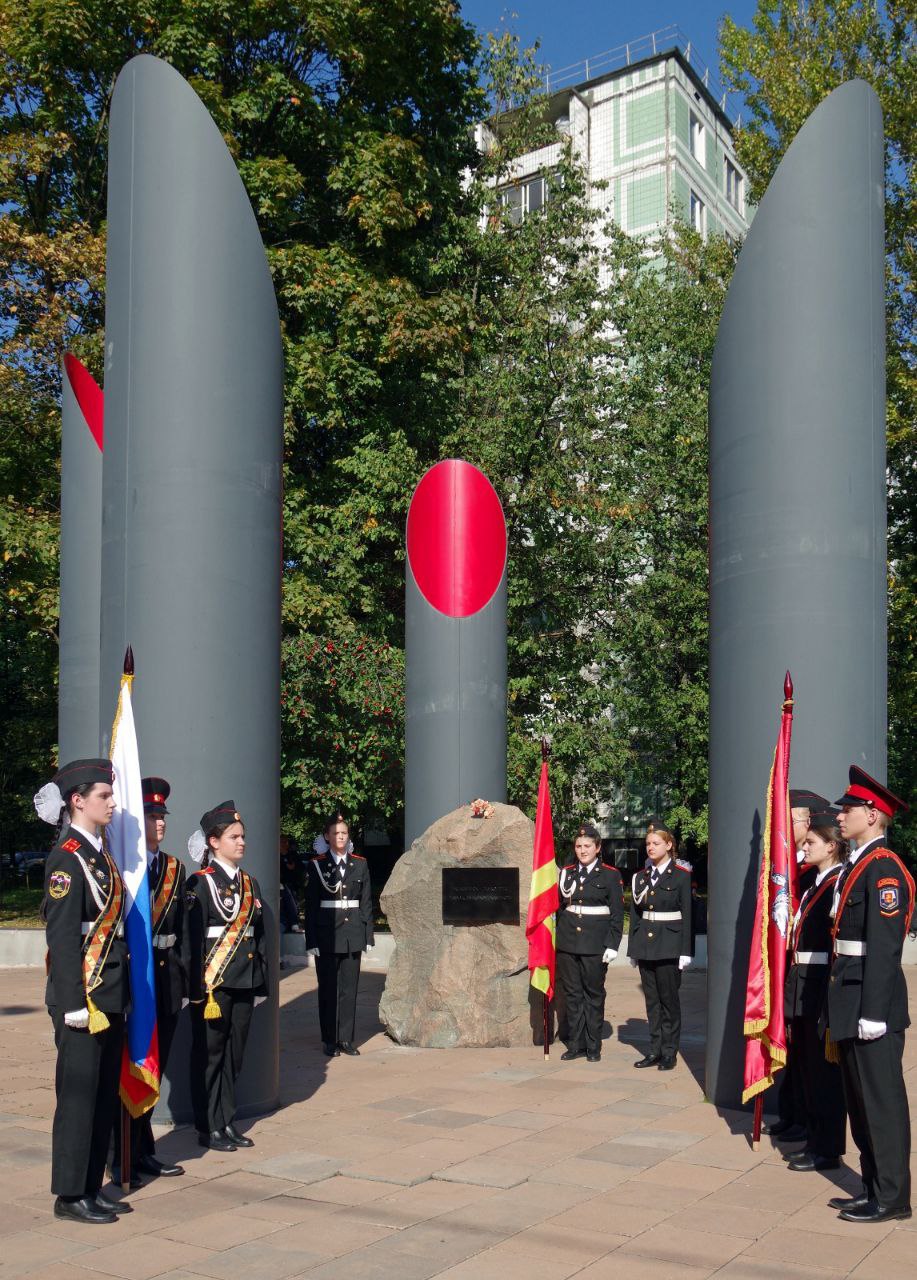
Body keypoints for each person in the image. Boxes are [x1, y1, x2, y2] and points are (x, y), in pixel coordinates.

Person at [35, 759, 131, 1224]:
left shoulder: (99, 854)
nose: (112, 803)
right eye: (104, 796)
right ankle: (69, 1194)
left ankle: (92, 1186)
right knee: (77, 1098)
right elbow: (63, 938)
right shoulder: (66, 858)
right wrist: (73, 1002)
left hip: (109, 995)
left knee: (101, 1096)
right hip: (84, 999)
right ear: (77, 800)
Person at [826, 766, 915, 1224]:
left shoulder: (884, 870)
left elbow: (884, 947)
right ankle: (871, 1186)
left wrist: (875, 1011)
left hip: (870, 1002)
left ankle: (894, 1197)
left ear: (874, 815)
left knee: (882, 1103)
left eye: (849, 809)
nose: (840, 816)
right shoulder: (856, 865)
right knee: (860, 1103)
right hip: (849, 996)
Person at [111, 778, 186, 1185]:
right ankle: (123, 1155)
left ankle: (145, 1152)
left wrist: (190, 985)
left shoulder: (174, 868)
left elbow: (184, 934)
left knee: (154, 1068)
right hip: (136, 980)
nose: (159, 823)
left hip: (168, 979)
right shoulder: (124, 865)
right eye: (151, 816)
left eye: (161, 816)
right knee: (131, 1067)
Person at [184, 801, 268, 1151]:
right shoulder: (200, 883)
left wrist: (261, 980)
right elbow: (191, 940)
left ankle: (226, 1120)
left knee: (235, 1053)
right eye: (234, 837)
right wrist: (194, 988)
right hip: (213, 985)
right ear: (214, 842)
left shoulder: (250, 883)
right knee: (210, 1055)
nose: (241, 842)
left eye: (243, 836)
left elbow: (259, 937)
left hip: (245, 980)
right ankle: (208, 1125)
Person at [763, 788, 829, 1141]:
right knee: (794, 1049)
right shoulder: (791, 867)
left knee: (810, 1057)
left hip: (813, 976)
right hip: (792, 972)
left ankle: (808, 1123)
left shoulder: (815, 873)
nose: (785, 826)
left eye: (792, 819)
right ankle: (793, 1114)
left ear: (809, 822)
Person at [782, 809, 846, 1172]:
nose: (804, 848)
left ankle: (828, 1149)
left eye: (810, 843)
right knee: (807, 1068)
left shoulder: (836, 883)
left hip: (819, 985)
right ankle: (813, 1138)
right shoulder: (817, 883)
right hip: (802, 982)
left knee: (824, 1074)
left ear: (831, 847)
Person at [306, 811, 374, 1056]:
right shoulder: (318, 865)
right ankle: (329, 1040)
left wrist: (367, 934)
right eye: (335, 833)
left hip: (352, 931)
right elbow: (311, 905)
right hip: (326, 934)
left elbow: (366, 902)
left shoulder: (360, 863)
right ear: (327, 836)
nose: (340, 836)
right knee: (327, 989)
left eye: (344, 833)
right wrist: (310, 939)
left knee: (349, 989)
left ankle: (346, 1039)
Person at [556, 823, 624, 1063]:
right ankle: (576, 1044)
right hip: (568, 943)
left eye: (587, 846)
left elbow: (617, 913)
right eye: (578, 846)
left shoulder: (610, 874)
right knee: (573, 995)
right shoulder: (567, 872)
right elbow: (558, 906)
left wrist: (613, 945)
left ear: (597, 847)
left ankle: (593, 1046)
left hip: (595, 945)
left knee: (593, 994)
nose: (582, 850)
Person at [628, 819, 692, 1071]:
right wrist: (633, 948)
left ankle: (669, 1052)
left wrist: (686, 951)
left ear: (668, 845)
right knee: (652, 1002)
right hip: (646, 945)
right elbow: (635, 914)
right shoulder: (640, 877)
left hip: (670, 945)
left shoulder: (681, 876)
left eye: (656, 843)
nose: (650, 847)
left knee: (668, 1002)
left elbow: (687, 914)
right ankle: (654, 1050)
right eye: (648, 844)